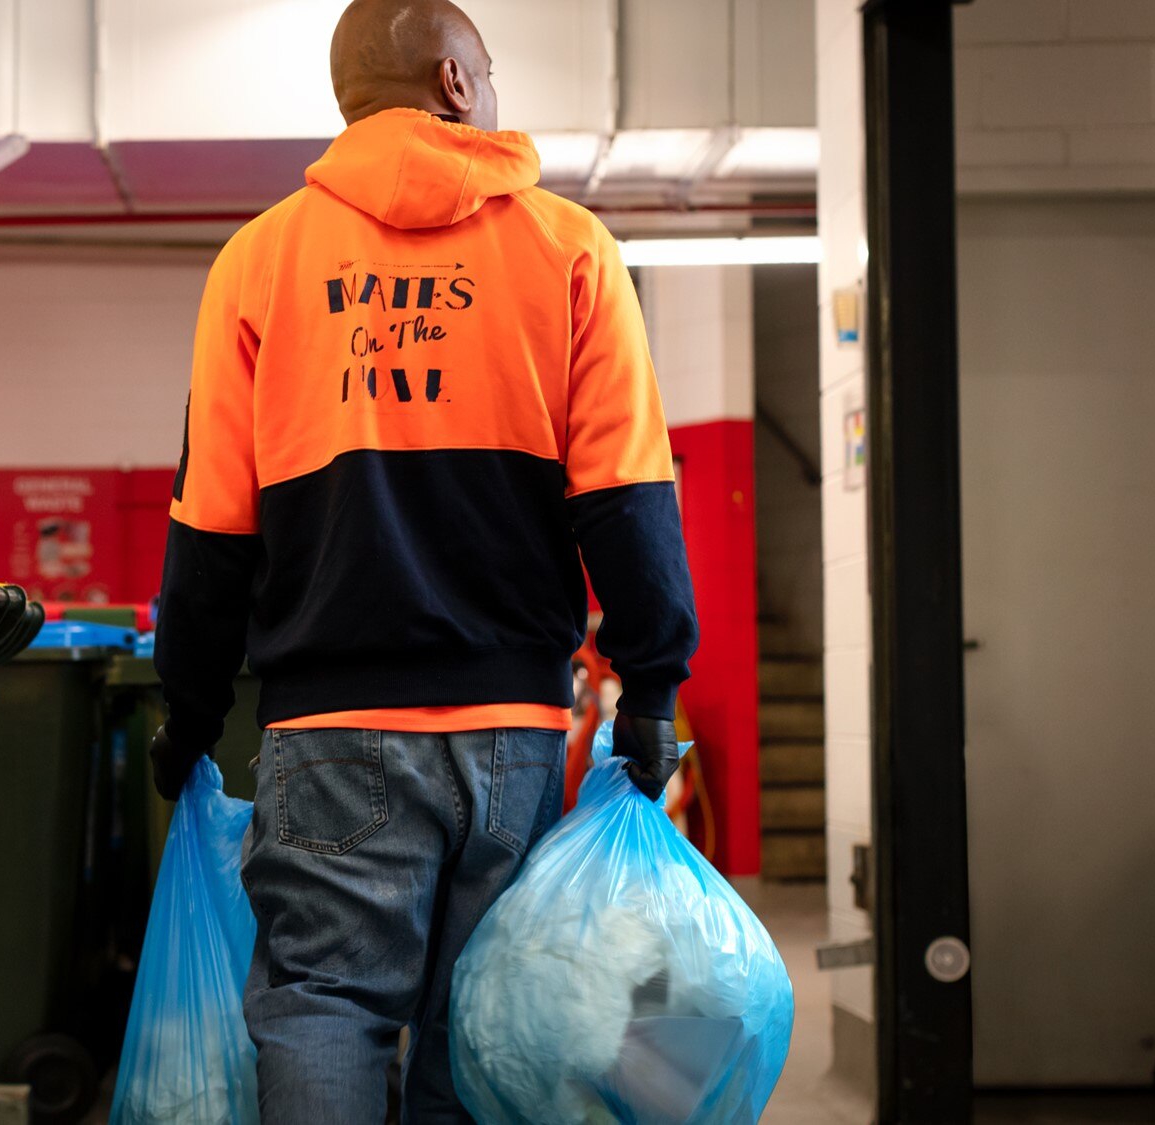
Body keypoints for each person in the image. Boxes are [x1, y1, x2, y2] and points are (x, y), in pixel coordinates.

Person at [148, 0, 700, 1120]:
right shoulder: (568, 251)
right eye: (486, 73)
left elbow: (210, 524)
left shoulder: (257, 262)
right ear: (453, 82)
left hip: (326, 728)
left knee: (321, 1003)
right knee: (484, 1013)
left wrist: (189, 715)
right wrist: (651, 686)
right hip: (509, 730)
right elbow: (626, 497)